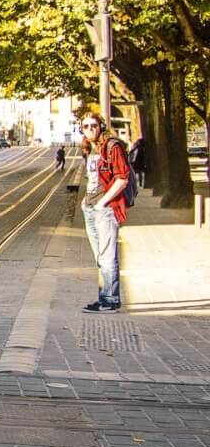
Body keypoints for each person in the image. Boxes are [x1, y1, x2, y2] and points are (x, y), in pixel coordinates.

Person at [78, 113, 131, 314]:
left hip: (106, 209)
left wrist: (103, 202)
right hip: (90, 207)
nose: (90, 129)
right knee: (100, 256)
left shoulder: (112, 146)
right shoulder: (89, 149)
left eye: (93, 125)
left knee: (108, 256)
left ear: (101, 126)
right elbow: (92, 178)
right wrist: (86, 201)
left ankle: (110, 300)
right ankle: (103, 297)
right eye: (85, 126)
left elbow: (122, 177)